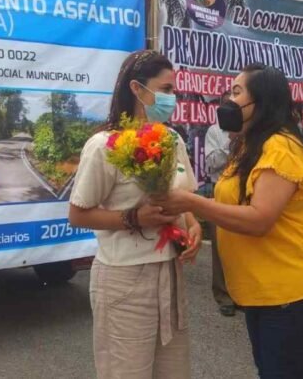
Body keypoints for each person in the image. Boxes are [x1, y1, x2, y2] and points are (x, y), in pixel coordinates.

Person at [154, 64, 303, 379]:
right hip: (265, 292)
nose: (228, 99)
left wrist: (190, 202)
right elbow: (234, 204)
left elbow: (258, 219)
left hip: (294, 292)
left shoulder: (280, 146)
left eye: (237, 92)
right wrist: (190, 215)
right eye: (229, 91)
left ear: (262, 102)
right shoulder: (248, 146)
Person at [68, 49, 203, 379]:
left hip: (170, 275)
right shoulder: (105, 145)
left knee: (174, 372)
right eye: (166, 90)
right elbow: (78, 214)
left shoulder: (172, 139)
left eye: (174, 91)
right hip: (124, 280)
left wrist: (193, 225)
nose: (172, 98)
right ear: (137, 89)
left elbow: (185, 198)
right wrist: (133, 219)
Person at [204, 91, 236, 317]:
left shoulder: (251, 131)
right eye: (225, 105)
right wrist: (231, 142)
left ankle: (243, 293)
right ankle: (223, 296)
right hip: (221, 190)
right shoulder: (214, 131)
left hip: (245, 191)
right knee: (221, 245)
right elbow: (212, 164)